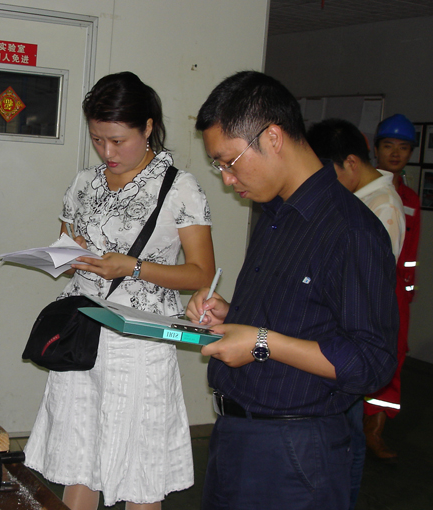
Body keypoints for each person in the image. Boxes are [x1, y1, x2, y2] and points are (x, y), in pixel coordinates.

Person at [187, 71, 398, 510]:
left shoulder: (351, 231)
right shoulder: (275, 214)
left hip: (295, 449)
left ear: (273, 137)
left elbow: (371, 362)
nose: (227, 179)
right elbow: (298, 315)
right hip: (236, 433)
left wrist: (262, 343)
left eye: (229, 162)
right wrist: (232, 313)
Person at [24, 71, 216, 510]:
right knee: (80, 456)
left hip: (138, 342)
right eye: (97, 140)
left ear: (148, 127)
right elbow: (65, 244)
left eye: (117, 140)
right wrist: (67, 254)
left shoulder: (179, 188)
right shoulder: (84, 183)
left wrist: (132, 267)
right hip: (82, 332)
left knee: (138, 467)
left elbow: (201, 273)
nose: (107, 152)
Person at [307, 117, 405, 509]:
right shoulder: (356, 198)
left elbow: (364, 282)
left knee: (348, 435)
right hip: (336, 332)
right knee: (339, 430)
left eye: (328, 174)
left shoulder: (382, 207)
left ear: (350, 162)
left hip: (352, 336)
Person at [363, 113, 421, 460]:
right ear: (376, 149)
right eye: (388, 146)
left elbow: (410, 254)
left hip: (396, 291)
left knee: (393, 357)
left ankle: (375, 430)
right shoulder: (365, 190)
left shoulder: (410, 198)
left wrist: (407, 294)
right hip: (366, 285)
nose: (396, 153)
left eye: (403, 147)